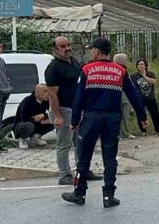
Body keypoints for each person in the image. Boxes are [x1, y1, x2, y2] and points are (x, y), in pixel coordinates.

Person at [62, 38, 145, 207]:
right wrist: (142, 117)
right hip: (112, 119)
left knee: (84, 157)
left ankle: (79, 193)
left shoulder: (86, 69)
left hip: (91, 118)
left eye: (92, 49)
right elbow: (133, 95)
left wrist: (75, 120)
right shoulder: (121, 71)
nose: (90, 52)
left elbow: (78, 98)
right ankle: (109, 196)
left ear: (97, 51)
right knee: (110, 158)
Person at [46, 36, 100, 185]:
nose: (67, 48)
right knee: (64, 143)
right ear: (55, 50)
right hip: (63, 110)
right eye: (63, 46)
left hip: (77, 110)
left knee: (81, 142)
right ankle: (64, 175)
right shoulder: (54, 68)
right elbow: (52, 94)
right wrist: (58, 116)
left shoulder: (73, 62)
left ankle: (83, 170)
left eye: (68, 45)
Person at [114, 53, 147, 139]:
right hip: (118, 96)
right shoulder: (115, 71)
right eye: (125, 60)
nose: (127, 62)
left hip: (126, 97)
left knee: (125, 115)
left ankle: (126, 133)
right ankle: (117, 133)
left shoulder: (125, 71)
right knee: (117, 115)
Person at [131, 59, 159, 137]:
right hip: (140, 98)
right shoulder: (133, 76)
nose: (140, 65)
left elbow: (154, 82)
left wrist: (144, 76)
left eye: (142, 64)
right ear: (136, 66)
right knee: (140, 115)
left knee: (155, 114)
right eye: (139, 64)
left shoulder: (151, 73)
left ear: (146, 65)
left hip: (150, 97)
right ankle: (143, 131)